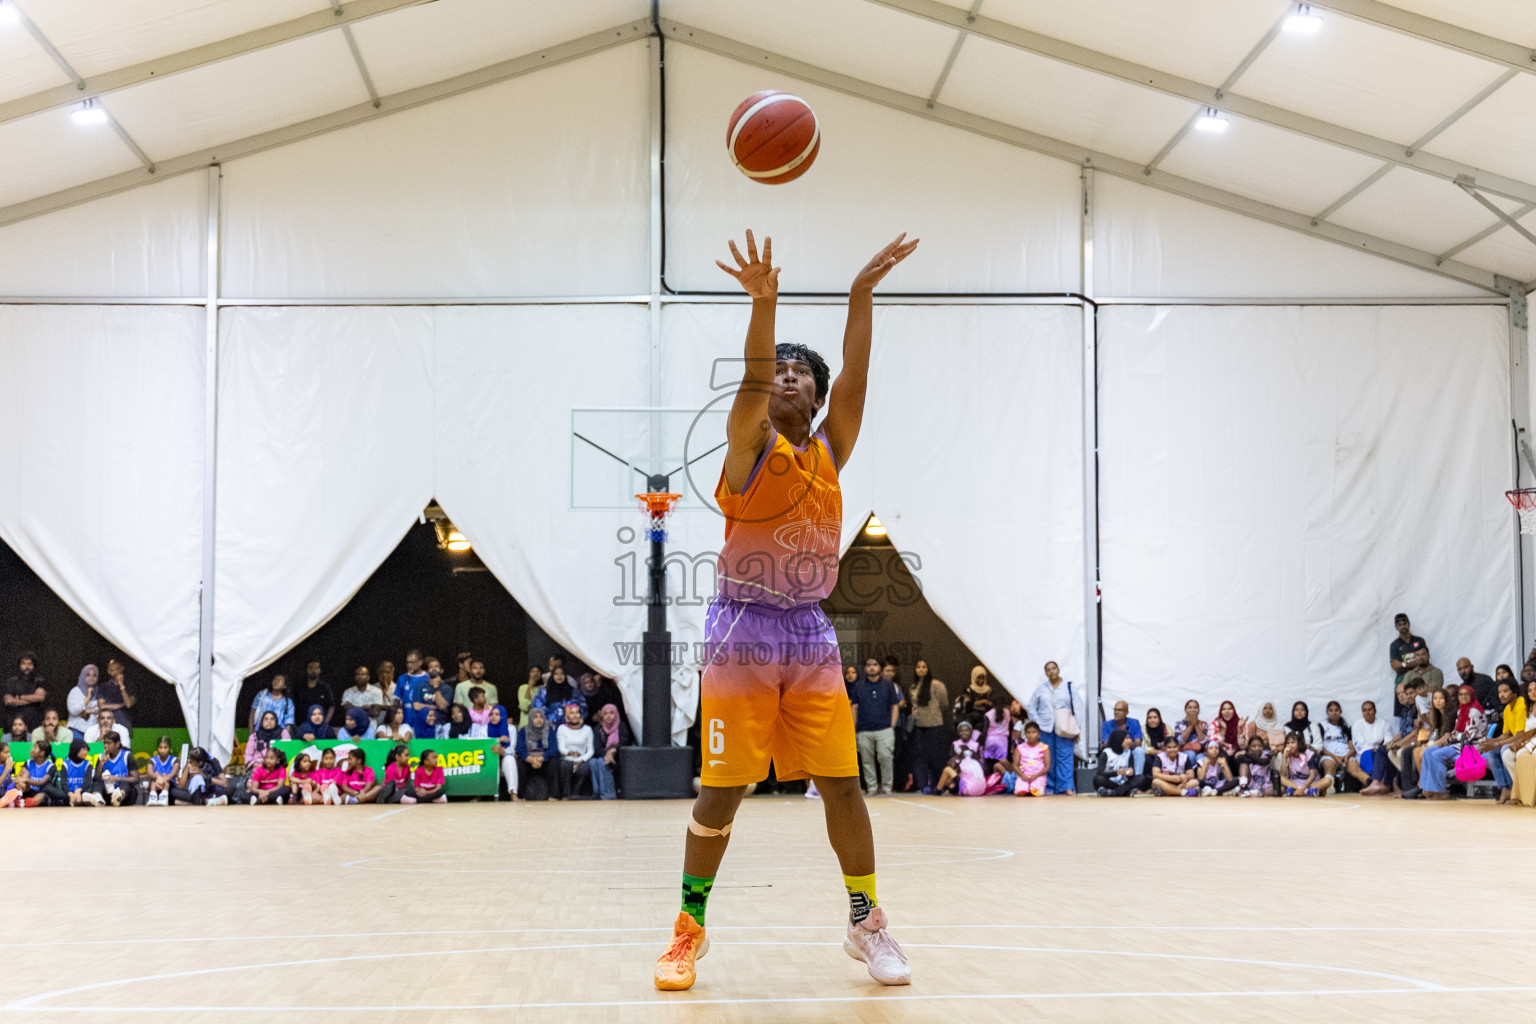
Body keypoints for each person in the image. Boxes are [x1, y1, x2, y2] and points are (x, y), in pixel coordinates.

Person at [655, 229, 918, 993]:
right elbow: (750, 380)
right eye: (781, 370)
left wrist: (861, 293)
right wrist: (763, 306)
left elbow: (857, 376)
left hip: (809, 630)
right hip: (742, 630)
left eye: (801, 372)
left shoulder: (831, 447)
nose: (787, 377)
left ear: (817, 396)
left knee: (842, 783)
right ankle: (689, 929)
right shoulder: (747, 445)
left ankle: (866, 921)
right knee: (721, 792)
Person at [1415, 684, 1489, 800]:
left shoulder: (1474, 711)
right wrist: (1451, 736)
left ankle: (1439, 790)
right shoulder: (1461, 711)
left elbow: (1470, 736)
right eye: (1461, 694)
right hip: (1459, 743)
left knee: (1436, 755)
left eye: (1466, 694)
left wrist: (1451, 737)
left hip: (1471, 746)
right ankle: (1427, 789)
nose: (1463, 697)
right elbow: (1456, 731)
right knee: (1428, 751)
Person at [1028, 661, 1084, 795]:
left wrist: (1076, 728)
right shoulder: (1041, 689)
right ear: (1046, 673)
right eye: (1048, 670)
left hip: (1065, 727)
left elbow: (1078, 707)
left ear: (1058, 670)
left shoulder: (1069, 686)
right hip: (1045, 728)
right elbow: (1031, 707)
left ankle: (1066, 787)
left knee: (1065, 757)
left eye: (1054, 668)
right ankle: (1049, 787)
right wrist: (1037, 722)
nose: (1052, 671)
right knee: (1048, 758)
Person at [850, 657, 901, 795]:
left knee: (886, 758)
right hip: (864, 729)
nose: (871, 667)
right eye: (868, 665)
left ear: (880, 667)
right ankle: (872, 788)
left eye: (875, 665)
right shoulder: (858, 686)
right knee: (867, 761)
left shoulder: (888, 685)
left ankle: (887, 787)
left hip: (885, 729)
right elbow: (854, 708)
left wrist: (892, 725)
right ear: (865, 668)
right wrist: (854, 728)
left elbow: (895, 706)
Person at [1478, 680, 1525, 804]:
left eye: (1505, 691)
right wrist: (1490, 741)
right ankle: (1505, 788)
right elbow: (1506, 734)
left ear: (1514, 692)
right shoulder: (1507, 709)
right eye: (1499, 692)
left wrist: (1496, 744)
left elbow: (1520, 735)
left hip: (1525, 741)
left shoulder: (1521, 704)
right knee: (1492, 752)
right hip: (1515, 741)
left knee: (1504, 749)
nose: (1501, 695)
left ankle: (1514, 789)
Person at [907, 660, 949, 794]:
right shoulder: (913, 687)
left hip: (934, 725)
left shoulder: (936, 685)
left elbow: (944, 703)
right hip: (920, 725)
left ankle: (940, 786)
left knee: (936, 757)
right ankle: (924, 785)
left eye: (924, 667)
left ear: (928, 669)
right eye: (918, 667)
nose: (921, 669)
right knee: (922, 758)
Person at [1500, 678, 1536, 806]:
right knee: (1508, 754)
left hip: (1533, 741)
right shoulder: (1529, 707)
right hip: (1529, 741)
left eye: (1535, 689)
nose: (1532, 692)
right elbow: (1526, 730)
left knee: (1527, 755)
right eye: (1530, 690)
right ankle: (1520, 792)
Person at [1350, 701, 1397, 795]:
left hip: (1380, 750)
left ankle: (1380, 784)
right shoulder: (1357, 725)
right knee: (1368, 755)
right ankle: (1375, 783)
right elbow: (1358, 743)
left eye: (1370, 710)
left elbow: (1389, 740)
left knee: (1381, 754)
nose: (1367, 712)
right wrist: (1372, 749)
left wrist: (1379, 749)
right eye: (1364, 710)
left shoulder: (1384, 724)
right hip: (1364, 753)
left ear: (1375, 711)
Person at [555, 701, 596, 799]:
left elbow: (590, 750)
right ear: (567, 716)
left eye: (577, 712)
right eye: (571, 713)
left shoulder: (587, 729)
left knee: (584, 768)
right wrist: (571, 755)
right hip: (566, 758)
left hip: (582, 759)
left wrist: (580, 760)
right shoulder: (562, 728)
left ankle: (576, 793)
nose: (574, 715)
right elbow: (561, 748)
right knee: (565, 766)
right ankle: (566, 794)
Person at [516, 705, 557, 801]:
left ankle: (553, 795)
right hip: (528, 759)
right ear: (530, 719)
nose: (539, 720)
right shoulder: (523, 731)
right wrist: (531, 759)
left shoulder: (549, 730)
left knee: (554, 762)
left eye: (541, 717)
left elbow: (554, 748)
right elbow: (520, 749)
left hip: (544, 759)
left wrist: (542, 758)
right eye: (535, 717)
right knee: (520, 765)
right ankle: (522, 796)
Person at [937, 720, 986, 796]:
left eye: (966, 730)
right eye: (961, 731)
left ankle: (937, 791)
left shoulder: (975, 745)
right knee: (948, 777)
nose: (964, 733)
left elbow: (980, 763)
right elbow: (952, 760)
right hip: (958, 772)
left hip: (968, 775)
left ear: (970, 732)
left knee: (947, 770)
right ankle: (949, 788)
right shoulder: (955, 744)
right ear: (958, 733)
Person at [91, 729, 138, 806]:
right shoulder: (101, 756)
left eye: (109, 743)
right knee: (97, 782)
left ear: (117, 744)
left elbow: (136, 779)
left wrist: (117, 778)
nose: (106, 746)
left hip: (125, 794)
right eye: (105, 743)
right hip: (107, 792)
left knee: (125, 782)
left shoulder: (126, 756)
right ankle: (98, 800)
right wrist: (101, 763)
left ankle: (118, 797)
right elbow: (96, 778)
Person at [4, 652, 46, 732]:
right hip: (15, 722)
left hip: (34, 722)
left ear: (34, 666)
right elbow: (8, 701)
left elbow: (40, 697)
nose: (27, 667)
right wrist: (32, 699)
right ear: (19, 665)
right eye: (24, 663)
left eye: (30, 664)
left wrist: (18, 697)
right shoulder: (11, 682)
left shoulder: (39, 681)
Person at [1093, 729, 1143, 797]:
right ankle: (1123, 792)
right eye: (1127, 738)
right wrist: (1116, 773)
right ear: (1119, 739)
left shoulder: (1128, 752)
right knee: (1098, 779)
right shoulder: (1106, 753)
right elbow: (1100, 773)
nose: (1130, 741)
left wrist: (1131, 772)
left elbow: (1131, 773)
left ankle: (1114, 793)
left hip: (1124, 783)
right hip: (1111, 783)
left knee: (1141, 778)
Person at [1317, 701, 1353, 792]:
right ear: (1327, 712)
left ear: (1340, 712)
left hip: (1345, 755)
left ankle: (1368, 784)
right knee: (1329, 766)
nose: (1334, 713)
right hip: (1329, 755)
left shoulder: (1346, 726)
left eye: (1336, 710)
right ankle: (1329, 786)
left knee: (1355, 767)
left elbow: (1352, 747)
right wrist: (1335, 757)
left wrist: (1346, 756)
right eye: (1331, 710)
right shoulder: (1322, 726)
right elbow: (1320, 747)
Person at [16, 739, 63, 806]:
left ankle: (26, 803)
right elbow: (19, 777)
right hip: (29, 790)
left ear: (42, 753)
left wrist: (26, 780)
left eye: (35, 747)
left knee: (42, 795)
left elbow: (41, 782)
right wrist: (20, 781)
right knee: (20, 783)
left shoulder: (50, 767)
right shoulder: (28, 763)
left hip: (43, 792)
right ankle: (19, 801)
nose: (32, 749)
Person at [395, 650, 432, 735]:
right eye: (407, 662)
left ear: (420, 662)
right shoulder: (402, 678)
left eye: (412, 662)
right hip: (405, 724)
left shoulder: (428, 678)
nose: (409, 665)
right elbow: (397, 702)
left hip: (423, 724)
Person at [488, 704, 520, 801]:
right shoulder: (484, 729)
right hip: (489, 759)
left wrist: (501, 751)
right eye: (491, 714)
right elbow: (482, 746)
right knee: (494, 760)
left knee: (510, 759)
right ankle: (490, 795)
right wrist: (498, 740)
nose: (493, 716)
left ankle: (513, 794)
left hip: (504, 758)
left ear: (502, 716)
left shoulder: (510, 729)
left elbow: (511, 750)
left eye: (497, 714)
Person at [593, 703, 624, 800]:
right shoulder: (598, 729)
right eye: (605, 714)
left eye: (611, 713)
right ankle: (597, 793)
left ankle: (609, 794)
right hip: (604, 756)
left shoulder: (621, 727)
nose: (608, 716)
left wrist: (612, 751)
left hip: (618, 757)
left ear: (616, 714)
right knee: (593, 762)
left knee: (602, 762)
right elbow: (597, 749)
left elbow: (624, 743)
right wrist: (607, 754)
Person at [292, 660, 334, 732]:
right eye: (311, 668)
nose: (313, 670)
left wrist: (325, 723)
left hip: (320, 727)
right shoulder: (299, 687)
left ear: (320, 670)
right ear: (307, 670)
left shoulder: (324, 687)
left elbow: (331, 707)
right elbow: (293, 705)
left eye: (316, 668)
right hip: (301, 726)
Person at [954, 665, 997, 733]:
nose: (981, 680)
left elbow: (993, 706)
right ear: (974, 677)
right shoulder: (967, 691)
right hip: (971, 722)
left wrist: (981, 703)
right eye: (978, 678)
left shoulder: (990, 691)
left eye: (983, 678)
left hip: (987, 722)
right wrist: (982, 702)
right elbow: (966, 707)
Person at [97, 658, 135, 730]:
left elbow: (128, 704)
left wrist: (121, 685)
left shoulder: (129, 685)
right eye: (112, 670)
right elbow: (101, 706)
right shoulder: (104, 686)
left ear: (122, 668)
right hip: (108, 724)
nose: (115, 672)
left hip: (124, 723)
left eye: (117, 669)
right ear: (108, 671)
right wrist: (121, 705)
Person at [62, 737, 100, 806]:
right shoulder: (65, 764)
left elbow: (88, 782)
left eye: (86, 750)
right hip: (68, 792)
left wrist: (79, 790)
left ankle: (82, 800)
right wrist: (70, 794)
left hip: (83, 791)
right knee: (59, 792)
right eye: (83, 749)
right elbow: (63, 783)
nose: (86, 752)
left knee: (94, 786)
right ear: (75, 750)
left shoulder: (88, 764)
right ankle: (84, 801)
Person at [66, 664, 100, 735]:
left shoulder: (98, 693)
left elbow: (100, 711)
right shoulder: (75, 691)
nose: (91, 678)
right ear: (83, 676)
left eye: (94, 675)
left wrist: (87, 711)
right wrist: (87, 698)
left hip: (93, 732)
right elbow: (73, 711)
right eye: (88, 675)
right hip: (76, 730)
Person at [146, 736, 177, 806]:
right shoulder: (153, 760)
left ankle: (163, 798)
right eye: (160, 747)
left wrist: (163, 779)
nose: (163, 750)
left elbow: (172, 774)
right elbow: (150, 773)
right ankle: (152, 799)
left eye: (165, 747)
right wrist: (158, 777)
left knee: (166, 780)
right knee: (153, 781)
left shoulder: (174, 760)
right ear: (157, 748)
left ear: (169, 748)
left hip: (170, 787)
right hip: (156, 785)